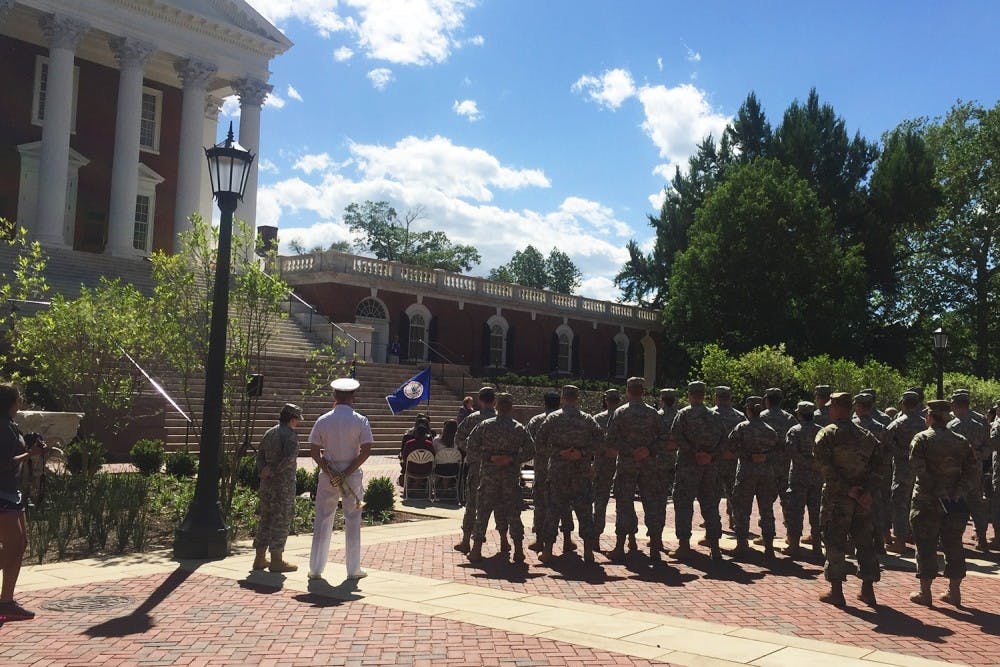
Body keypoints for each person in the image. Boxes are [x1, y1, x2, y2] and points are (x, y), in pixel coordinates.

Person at [815, 392, 883, 607]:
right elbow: (879, 467)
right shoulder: (867, 436)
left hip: (838, 498)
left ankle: (837, 591)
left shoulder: (827, 435)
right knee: (865, 543)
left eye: (831, 407)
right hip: (862, 500)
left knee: (835, 541)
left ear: (836, 408)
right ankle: (867, 591)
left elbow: (825, 468)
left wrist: (848, 490)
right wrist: (866, 492)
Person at [909, 399, 979, 606]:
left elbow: (919, 469)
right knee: (954, 545)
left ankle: (925, 592)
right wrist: (958, 491)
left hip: (927, 501)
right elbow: (972, 471)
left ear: (930, 416)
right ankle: (954, 592)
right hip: (954, 503)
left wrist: (938, 490)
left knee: (925, 545)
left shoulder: (921, 439)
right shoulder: (961, 440)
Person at [308, 378, 373, 581]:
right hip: (351, 475)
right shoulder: (360, 420)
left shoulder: (323, 419)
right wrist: (346, 473)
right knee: (353, 521)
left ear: (334, 396)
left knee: (323, 518)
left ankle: (316, 569)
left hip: (329, 474)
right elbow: (367, 450)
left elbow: (314, 451)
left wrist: (330, 472)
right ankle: (353, 569)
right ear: (353, 396)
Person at [534, 385, 603, 564]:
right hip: (581, 473)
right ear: (577, 398)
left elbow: (539, 443)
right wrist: (583, 453)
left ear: (563, 398)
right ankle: (588, 551)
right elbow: (601, 443)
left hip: (558, 472)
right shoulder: (587, 419)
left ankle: (548, 551)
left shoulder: (553, 418)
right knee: (585, 511)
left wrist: (558, 453)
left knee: (553, 511)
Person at [606, 377, 670, 562]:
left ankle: (620, 546)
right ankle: (655, 545)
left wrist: (630, 451)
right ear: (642, 392)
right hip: (649, 464)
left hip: (627, 464)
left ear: (627, 391)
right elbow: (665, 438)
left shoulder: (620, 413)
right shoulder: (653, 414)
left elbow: (611, 439)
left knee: (624, 504)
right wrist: (648, 450)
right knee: (652, 504)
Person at [468, 393, 534, 563]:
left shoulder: (485, 425)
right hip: (510, 476)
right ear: (511, 407)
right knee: (513, 513)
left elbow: (471, 445)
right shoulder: (519, 428)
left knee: (483, 512)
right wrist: (512, 459)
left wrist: (489, 458)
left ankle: (476, 550)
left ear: (496, 405)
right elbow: (530, 450)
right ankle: (518, 550)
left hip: (489, 475)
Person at [669, 381, 727, 560]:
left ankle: (684, 546)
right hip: (709, 466)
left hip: (688, 465)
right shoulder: (715, 416)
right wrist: (710, 455)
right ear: (704, 395)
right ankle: (715, 547)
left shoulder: (684, 414)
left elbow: (676, 437)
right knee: (710, 504)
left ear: (689, 394)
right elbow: (724, 440)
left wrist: (694, 452)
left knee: (684, 504)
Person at [0, 383, 42, 621]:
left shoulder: (10, 425)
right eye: (19, 398)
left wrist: (29, 444)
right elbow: (3, 462)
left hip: (12, 493)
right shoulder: (2, 427)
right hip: (2, 494)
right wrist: (30, 454)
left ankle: (6, 601)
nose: (21, 402)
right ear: (10, 402)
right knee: (13, 546)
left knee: (20, 545)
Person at [729, 396, 781, 560]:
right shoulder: (770, 430)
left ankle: (742, 544)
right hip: (766, 474)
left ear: (749, 411)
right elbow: (779, 451)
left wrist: (749, 456)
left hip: (746, 472)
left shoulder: (742, 428)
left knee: (742, 509)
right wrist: (764, 457)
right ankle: (769, 547)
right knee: (766, 510)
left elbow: (731, 447)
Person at [253, 403, 304, 573]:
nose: (297, 423)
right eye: (297, 419)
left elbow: (259, 455)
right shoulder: (289, 435)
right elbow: (290, 458)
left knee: (265, 518)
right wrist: (275, 471)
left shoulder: (270, 432)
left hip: (266, 484)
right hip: (283, 485)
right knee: (281, 520)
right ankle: (276, 559)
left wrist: (263, 470)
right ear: (292, 419)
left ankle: (259, 558)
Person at [527, 392, 576, 553]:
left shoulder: (536, 421)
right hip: (563, 468)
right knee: (564, 503)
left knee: (540, 504)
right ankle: (567, 539)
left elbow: (528, 444)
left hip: (542, 469)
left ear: (544, 403)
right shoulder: (566, 420)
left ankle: (539, 539)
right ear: (559, 402)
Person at [947, 391, 992, 552]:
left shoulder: (951, 423)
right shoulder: (980, 421)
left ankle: (955, 538)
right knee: (977, 505)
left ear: (955, 404)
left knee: (955, 504)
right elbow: (989, 446)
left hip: (955, 472)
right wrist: (979, 456)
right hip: (975, 470)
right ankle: (982, 538)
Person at [454, 387, 497, 553]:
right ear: (494, 401)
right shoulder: (501, 419)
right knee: (500, 505)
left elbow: (458, 438)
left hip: (476, 466)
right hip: (498, 468)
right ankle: (505, 542)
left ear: (480, 400)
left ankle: (466, 541)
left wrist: (474, 451)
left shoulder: (473, 418)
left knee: (472, 503)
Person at [885, 391, 926, 554]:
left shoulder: (899, 423)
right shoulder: (925, 423)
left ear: (903, 404)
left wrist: (899, 451)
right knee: (918, 503)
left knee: (900, 503)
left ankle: (900, 541)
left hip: (902, 469)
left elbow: (884, 441)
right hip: (921, 470)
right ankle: (917, 539)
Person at [784, 401, 823, 557]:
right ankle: (817, 547)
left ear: (799, 414)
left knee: (795, 511)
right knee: (816, 512)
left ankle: (794, 545)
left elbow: (791, 452)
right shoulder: (822, 431)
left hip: (799, 477)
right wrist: (816, 465)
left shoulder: (794, 431)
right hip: (817, 477)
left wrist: (807, 464)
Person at [853, 393, 890, 554]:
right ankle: (879, 543)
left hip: (855, 472)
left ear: (858, 406)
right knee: (876, 507)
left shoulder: (853, 426)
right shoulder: (880, 427)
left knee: (854, 506)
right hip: (874, 473)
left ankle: (853, 543)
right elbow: (887, 452)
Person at [760, 388, 796, 546]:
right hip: (785, 466)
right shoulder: (789, 418)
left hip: (767, 466)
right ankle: (791, 536)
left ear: (767, 400)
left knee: (766, 502)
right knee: (787, 502)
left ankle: (767, 536)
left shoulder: (761, 417)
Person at [712, 386, 746, 533]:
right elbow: (747, 438)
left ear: (716, 397)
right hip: (733, 461)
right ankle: (736, 522)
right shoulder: (739, 416)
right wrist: (734, 453)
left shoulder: (710, 414)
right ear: (729, 398)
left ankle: (713, 523)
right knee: (734, 493)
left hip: (715, 460)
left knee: (712, 493)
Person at [592, 389, 623, 542]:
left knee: (600, 501)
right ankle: (629, 538)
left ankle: (596, 536)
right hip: (623, 463)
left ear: (606, 400)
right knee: (625, 502)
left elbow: (591, 442)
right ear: (618, 400)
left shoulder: (597, 419)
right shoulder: (625, 417)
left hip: (602, 463)